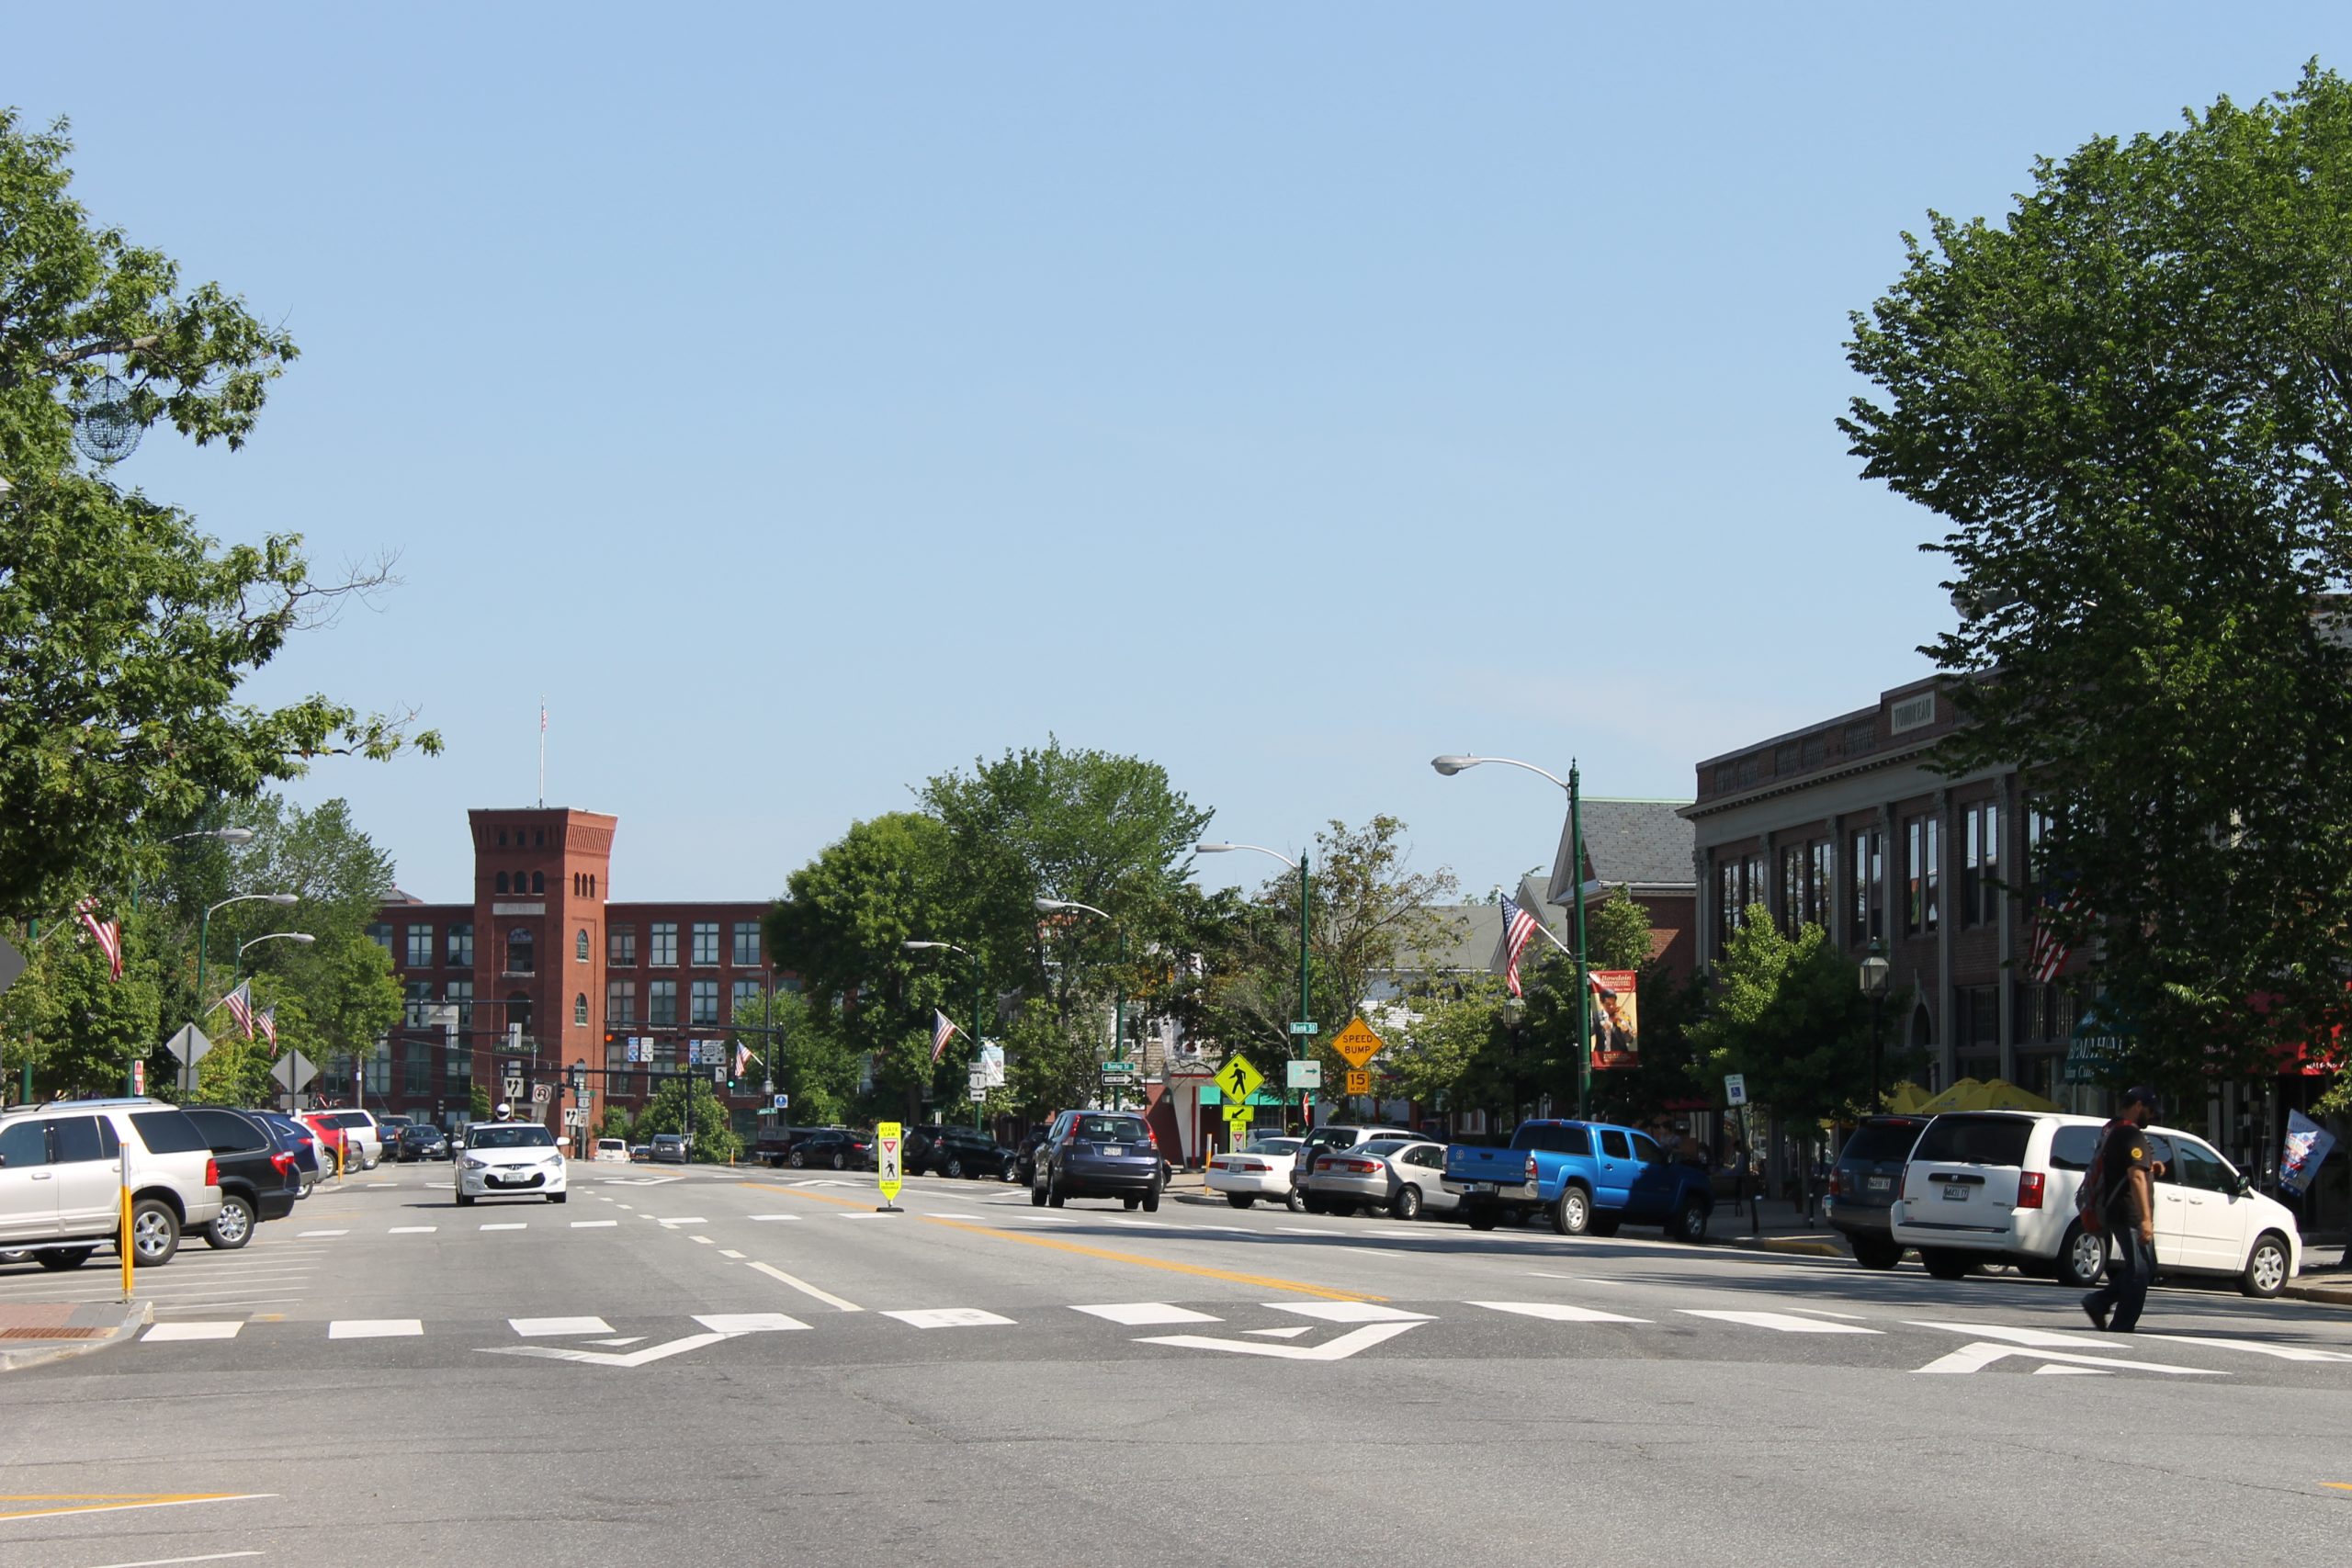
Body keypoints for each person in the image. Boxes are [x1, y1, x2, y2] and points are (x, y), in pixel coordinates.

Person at [2082, 1086, 2162, 1333]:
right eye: (2150, 1110)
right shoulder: (2129, 1134)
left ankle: (2100, 1301)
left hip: (2119, 1209)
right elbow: (2136, 1176)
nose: (2152, 1116)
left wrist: (2153, 1168)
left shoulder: (2113, 1129)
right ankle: (2121, 1323)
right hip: (2129, 1213)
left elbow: (2130, 1167)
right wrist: (2146, 1220)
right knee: (2139, 1270)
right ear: (2138, 1105)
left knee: (2146, 1267)